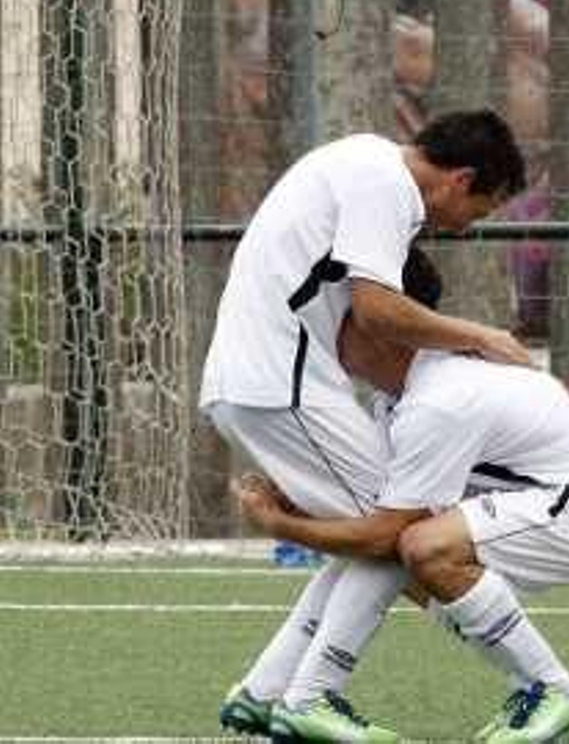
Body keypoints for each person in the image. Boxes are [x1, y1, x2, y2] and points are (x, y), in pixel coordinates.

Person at [208, 111, 529, 741]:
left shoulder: (365, 162)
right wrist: (482, 337)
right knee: (402, 534)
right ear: (462, 180)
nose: (467, 227)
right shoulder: (386, 182)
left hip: (267, 383)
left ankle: (265, 693)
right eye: (481, 210)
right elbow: (377, 311)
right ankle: (310, 700)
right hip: (281, 387)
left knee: (384, 535)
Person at [234, 248, 569, 743]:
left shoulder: (438, 400)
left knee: (417, 545)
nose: (322, 331)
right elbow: (375, 523)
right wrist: (305, 503)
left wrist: (280, 525)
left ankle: (555, 687)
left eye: (337, 315)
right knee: (398, 548)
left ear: (380, 325)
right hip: (545, 498)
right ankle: (268, 692)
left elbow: (383, 534)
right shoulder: (398, 398)